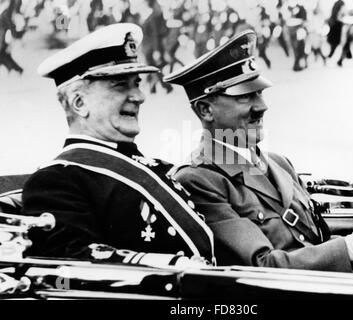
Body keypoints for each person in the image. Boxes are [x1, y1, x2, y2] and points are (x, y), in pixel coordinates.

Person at [164, 29, 353, 272]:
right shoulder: (198, 180)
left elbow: (314, 241)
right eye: (244, 96)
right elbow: (261, 267)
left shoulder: (279, 163)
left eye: (259, 92)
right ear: (205, 110)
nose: (261, 106)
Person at [21, 23, 215, 266]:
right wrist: (170, 266)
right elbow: (69, 266)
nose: (139, 96)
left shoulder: (156, 167)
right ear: (79, 103)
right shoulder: (56, 182)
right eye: (120, 84)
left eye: (137, 83)